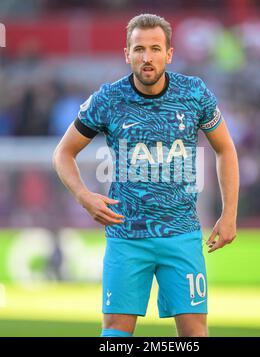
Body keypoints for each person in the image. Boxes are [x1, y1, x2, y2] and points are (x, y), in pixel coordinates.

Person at [52, 13, 239, 337]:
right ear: (127, 54)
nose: (147, 57)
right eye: (139, 49)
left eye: (155, 48)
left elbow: (225, 149)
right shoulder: (108, 100)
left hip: (180, 235)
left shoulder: (194, 94)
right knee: (115, 334)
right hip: (126, 237)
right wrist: (84, 196)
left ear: (169, 54)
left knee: (195, 334)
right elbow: (63, 153)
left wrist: (229, 214)